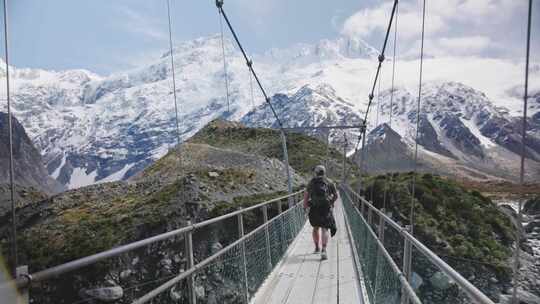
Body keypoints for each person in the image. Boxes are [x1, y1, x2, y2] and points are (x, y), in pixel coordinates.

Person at [303, 165, 338, 260]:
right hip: (326, 208)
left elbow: (306, 197)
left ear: (316, 172)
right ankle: (324, 250)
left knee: (315, 228)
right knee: (325, 229)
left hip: (314, 209)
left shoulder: (311, 183)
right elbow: (336, 195)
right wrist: (331, 202)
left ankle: (317, 247)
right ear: (324, 172)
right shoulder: (330, 182)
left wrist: (305, 207)